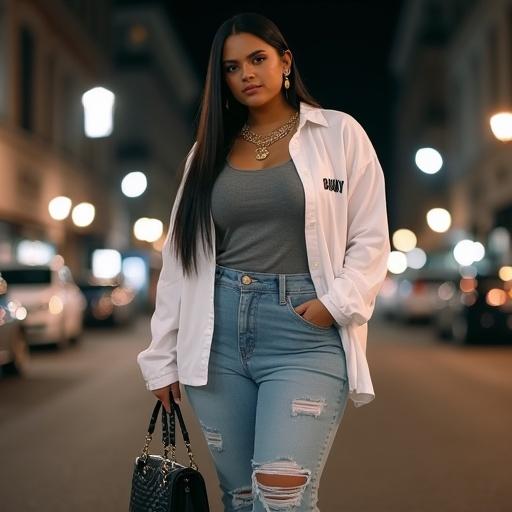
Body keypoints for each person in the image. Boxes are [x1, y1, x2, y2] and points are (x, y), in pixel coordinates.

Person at [137, 12, 390, 512]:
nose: (246, 74)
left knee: (281, 494)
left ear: (285, 62)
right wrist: (162, 356)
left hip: (304, 334)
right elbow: (180, 261)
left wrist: (332, 304)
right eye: (232, 67)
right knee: (241, 496)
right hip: (216, 339)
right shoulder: (207, 152)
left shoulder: (338, 135)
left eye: (257, 59)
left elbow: (370, 238)